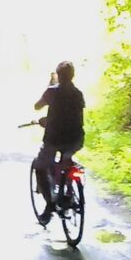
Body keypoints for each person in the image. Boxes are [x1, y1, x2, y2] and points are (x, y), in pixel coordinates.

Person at [33, 61, 85, 224]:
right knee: (66, 161)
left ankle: (50, 205)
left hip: (54, 139)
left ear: (58, 75)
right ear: (73, 76)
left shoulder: (52, 91)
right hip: (76, 139)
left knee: (40, 167)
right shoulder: (78, 93)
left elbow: (37, 106)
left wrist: (46, 120)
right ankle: (68, 193)